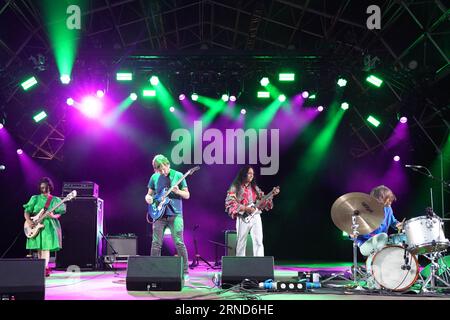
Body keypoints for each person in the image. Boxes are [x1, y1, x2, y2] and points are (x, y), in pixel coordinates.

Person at [145, 154, 190, 279]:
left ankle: (185, 271)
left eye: (163, 169)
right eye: (159, 170)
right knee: (156, 243)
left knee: (179, 243)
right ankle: (154, 271)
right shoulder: (154, 177)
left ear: (168, 164)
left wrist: (178, 191)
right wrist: (148, 198)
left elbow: (187, 195)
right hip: (159, 215)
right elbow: (150, 194)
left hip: (175, 214)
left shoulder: (178, 175)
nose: (162, 172)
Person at [225, 166, 279, 257]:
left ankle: (259, 264)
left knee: (258, 241)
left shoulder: (254, 188)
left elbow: (263, 200)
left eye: (253, 174)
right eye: (249, 173)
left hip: (255, 216)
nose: (251, 176)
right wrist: (246, 209)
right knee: (241, 242)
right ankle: (240, 265)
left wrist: (272, 194)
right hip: (243, 217)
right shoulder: (235, 187)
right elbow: (230, 202)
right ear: (244, 174)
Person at [23, 177, 66, 277]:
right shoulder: (35, 198)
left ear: (49, 187)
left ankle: (45, 268)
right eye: (41, 187)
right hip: (35, 224)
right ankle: (40, 267)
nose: (43, 189)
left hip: (49, 225)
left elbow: (59, 213)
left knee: (46, 247)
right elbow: (27, 211)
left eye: (45, 187)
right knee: (39, 247)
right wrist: (29, 221)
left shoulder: (55, 200)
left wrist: (53, 216)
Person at [354, 185, 403, 249]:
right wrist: (353, 235)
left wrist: (398, 225)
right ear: (381, 198)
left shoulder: (388, 209)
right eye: (389, 199)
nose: (391, 202)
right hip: (366, 242)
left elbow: (393, 222)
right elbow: (355, 229)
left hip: (381, 241)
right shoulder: (366, 210)